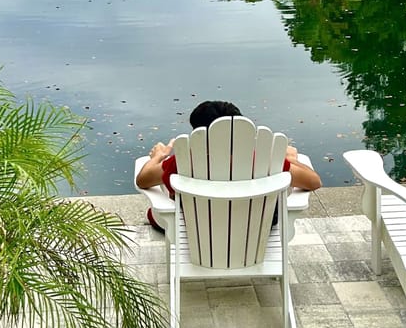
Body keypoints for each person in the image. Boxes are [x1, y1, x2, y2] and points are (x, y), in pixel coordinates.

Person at [135, 99, 322, 232]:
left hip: (200, 235)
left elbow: (143, 180)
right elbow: (313, 182)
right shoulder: (263, 160)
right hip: (255, 234)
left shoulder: (183, 162)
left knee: (156, 212)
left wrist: (159, 156)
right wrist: (289, 158)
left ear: (199, 133)